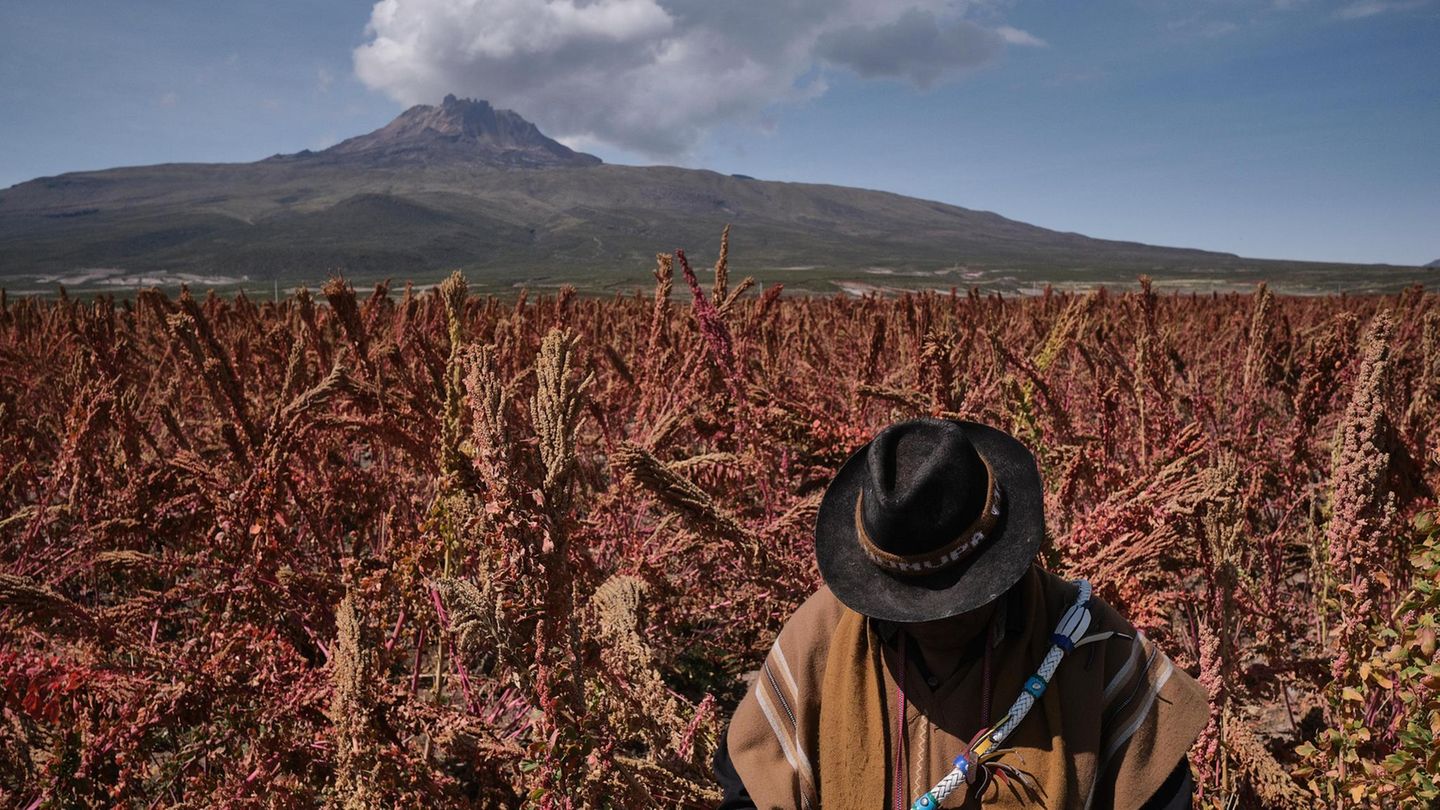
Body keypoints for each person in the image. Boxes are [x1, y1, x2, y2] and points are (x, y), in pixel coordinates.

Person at [713, 418, 1208, 809]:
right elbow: (749, 789)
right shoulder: (821, 637)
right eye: (918, 604)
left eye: (959, 597)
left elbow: (1161, 794)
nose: (942, 619)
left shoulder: (1087, 642)